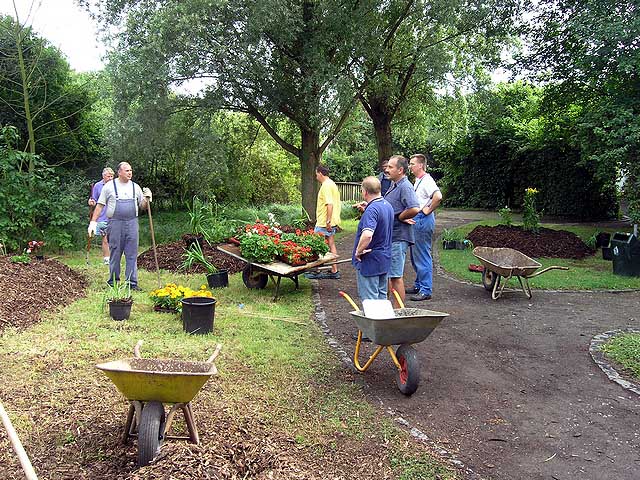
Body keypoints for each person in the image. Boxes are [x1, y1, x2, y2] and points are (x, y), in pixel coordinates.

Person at [88, 162, 152, 291]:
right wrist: (93, 222)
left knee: (132, 253)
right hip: (115, 223)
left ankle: (132, 283)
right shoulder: (109, 187)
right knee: (115, 253)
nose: (130, 173)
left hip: (132, 223)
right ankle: (113, 282)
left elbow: (142, 206)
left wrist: (147, 199)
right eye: (127, 170)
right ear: (119, 172)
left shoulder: (135, 187)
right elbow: (100, 205)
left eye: (131, 170)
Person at [383, 155, 420, 307]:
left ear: (400, 170)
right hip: (392, 237)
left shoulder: (405, 186)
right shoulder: (394, 184)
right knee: (390, 276)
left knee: (396, 277)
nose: (387, 169)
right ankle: (390, 310)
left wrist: (400, 217)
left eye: (390, 167)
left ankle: (399, 313)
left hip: (399, 237)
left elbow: (414, 208)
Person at [406, 154, 443, 301]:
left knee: (422, 255)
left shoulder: (427, 180)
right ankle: (419, 285)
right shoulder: (418, 180)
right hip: (419, 218)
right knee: (416, 255)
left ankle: (425, 290)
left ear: (421, 165)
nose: (410, 166)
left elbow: (438, 196)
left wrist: (427, 210)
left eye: (412, 164)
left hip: (422, 219)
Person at [352, 176, 394, 302]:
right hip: (384, 259)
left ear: (364, 192)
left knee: (370, 302)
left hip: (370, 262)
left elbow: (368, 235)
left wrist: (358, 252)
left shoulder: (372, 210)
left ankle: (373, 322)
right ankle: (382, 322)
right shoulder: (387, 205)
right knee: (381, 299)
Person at [306, 164, 342, 280]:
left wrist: (327, 221)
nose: (316, 176)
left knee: (315, 245)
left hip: (324, 222)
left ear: (320, 173)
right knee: (331, 244)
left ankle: (315, 270)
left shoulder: (326, 186)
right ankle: (334, 270)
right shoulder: (332, 184)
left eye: (316, 174)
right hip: (332, 221)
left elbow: (329, 204)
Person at [88, 167, 115, 265]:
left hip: (115, 215)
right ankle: (107, 259)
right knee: (105, 238)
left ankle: (114, 258)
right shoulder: (98, 186)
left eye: (112, 176)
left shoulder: (116, 185)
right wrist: (91, 202)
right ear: (103, 176)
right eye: (109, 176)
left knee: (114, 239)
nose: (111, 178)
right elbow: (94, 200)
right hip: (102, 216)